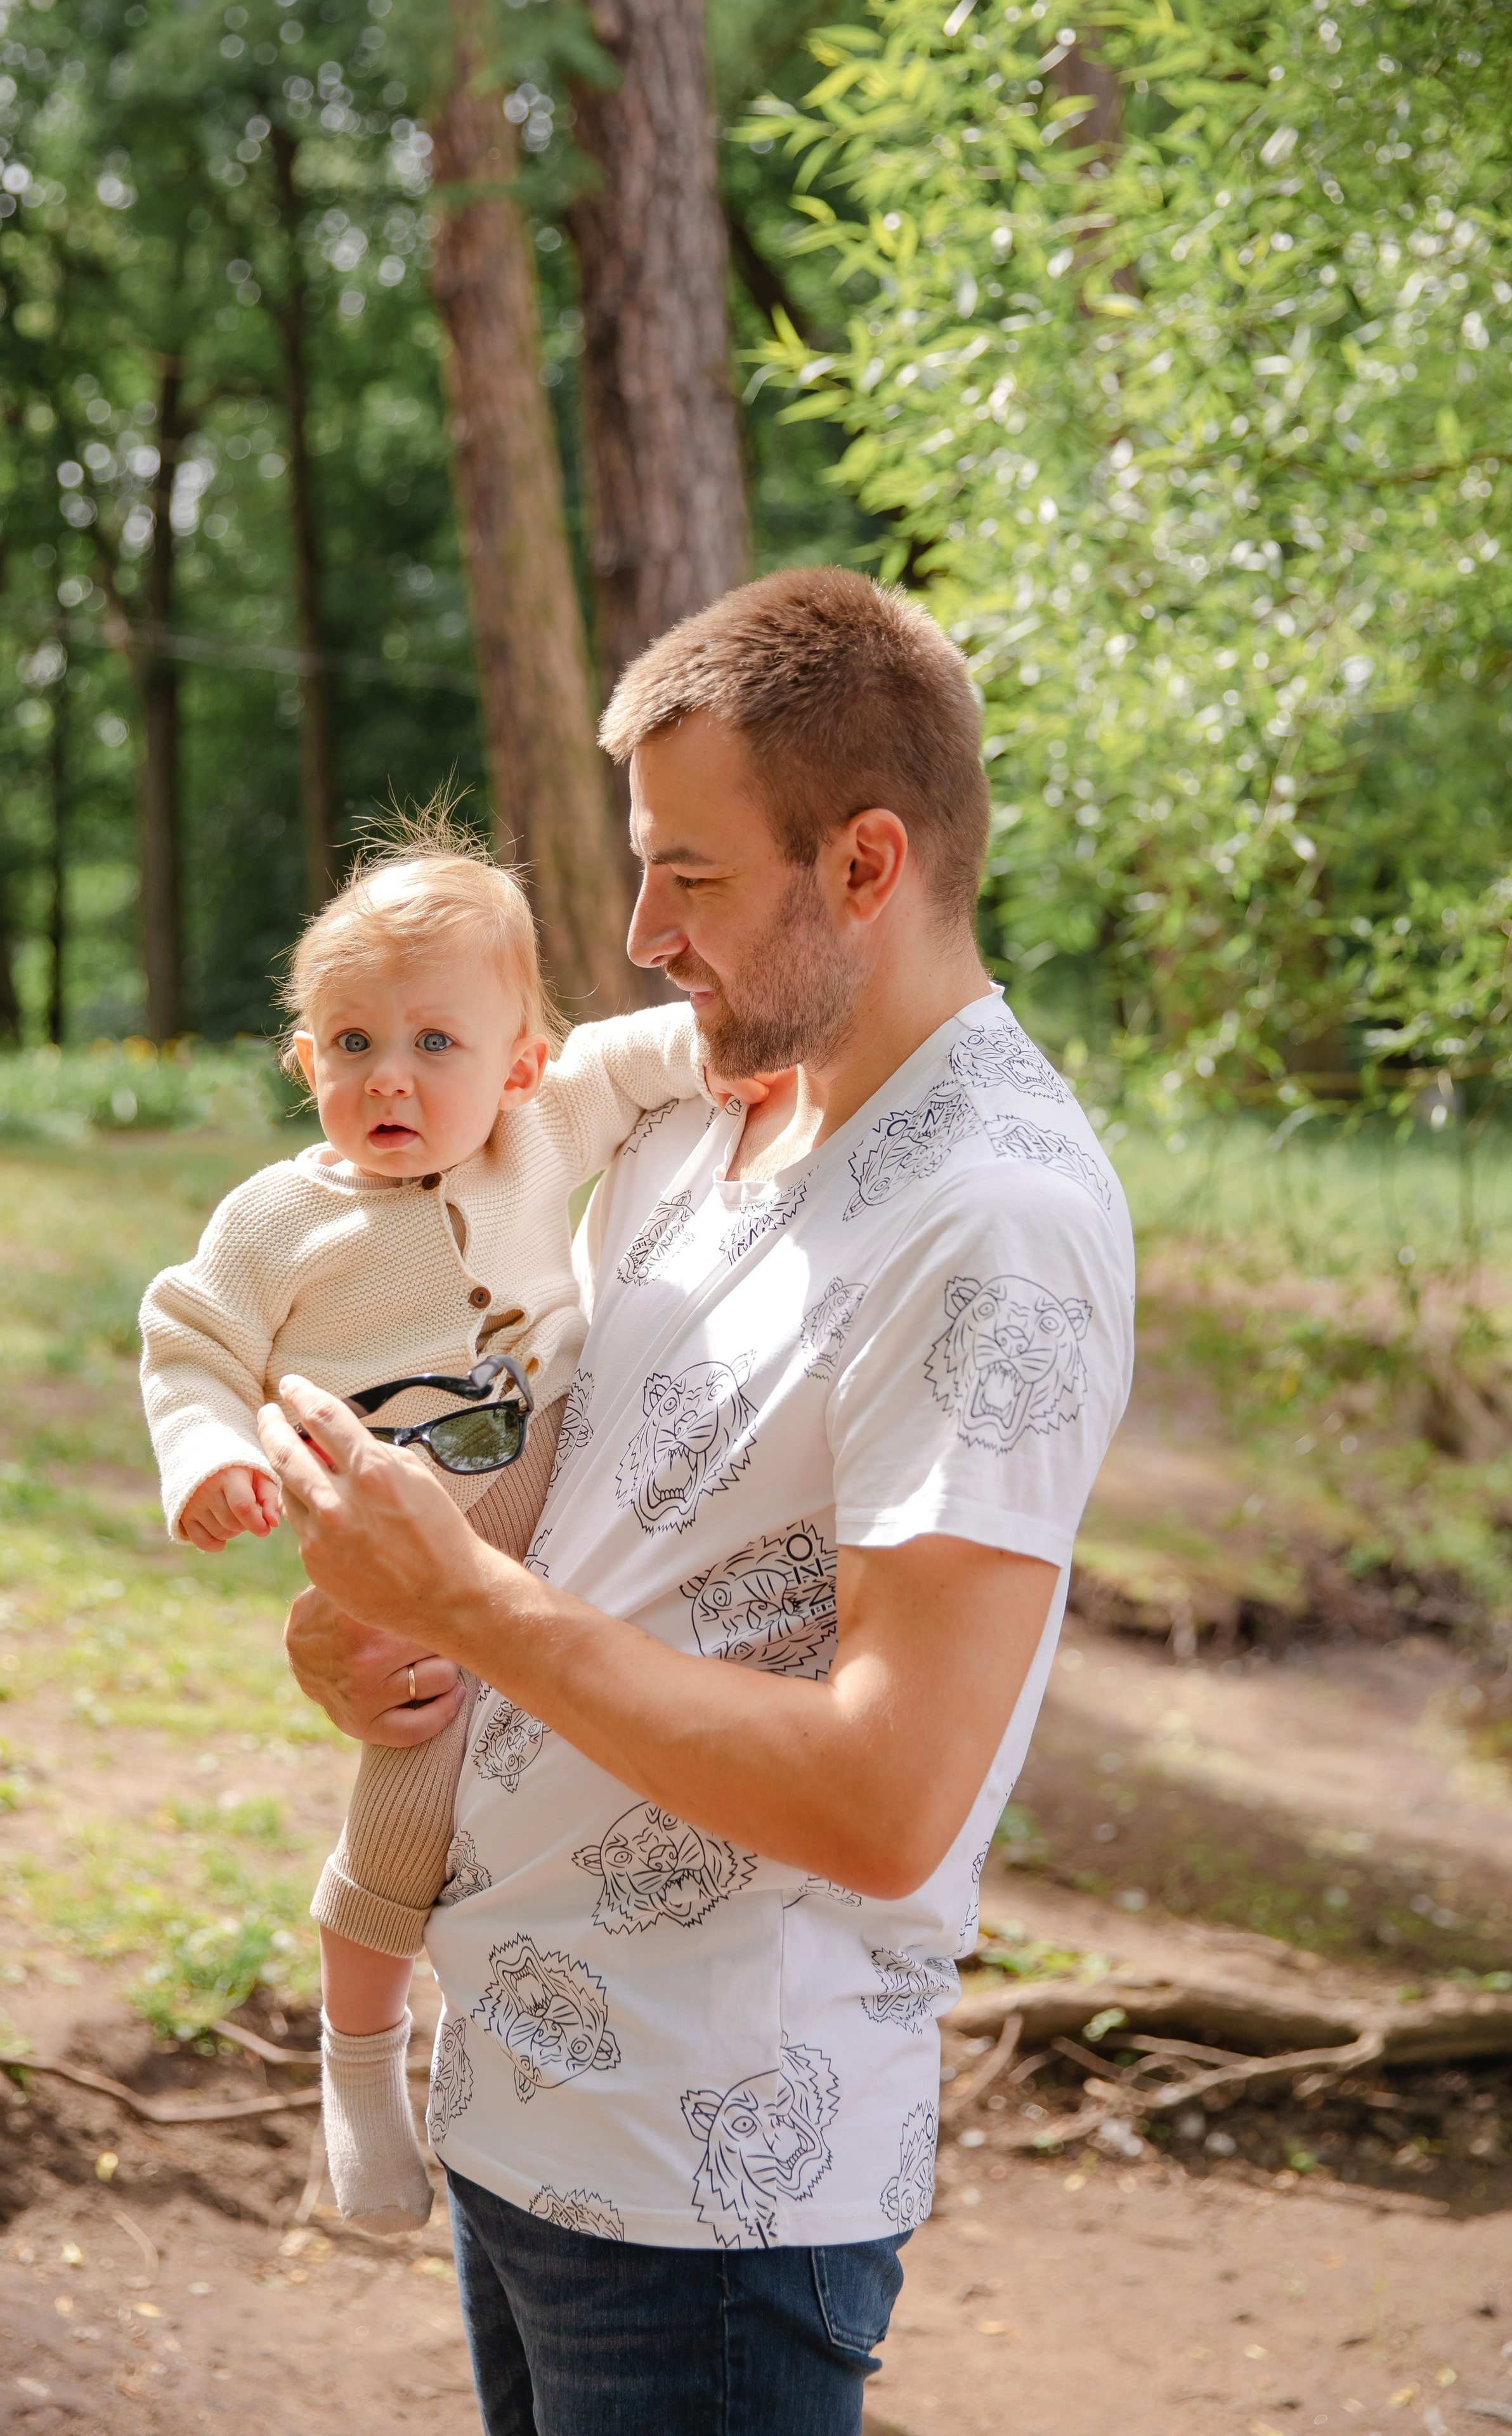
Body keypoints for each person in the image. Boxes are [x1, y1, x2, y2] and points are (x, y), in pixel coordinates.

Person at [256, 567, 1137, 2436]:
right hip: (514, 2085)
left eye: (695, 876)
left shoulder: (995, 1222)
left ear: (869, 865)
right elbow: (598, 1536)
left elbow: (890, 1798)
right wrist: (397, 1626)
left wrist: (487, 1616)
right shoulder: (704, 1114)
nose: (642, 935)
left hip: (708, 2185)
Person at [138, 818, 729, 2231]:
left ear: (518, 1062)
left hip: (554, 1536)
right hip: (400, 1567)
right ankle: (357, 2066)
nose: (387, 1075)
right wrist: (207, 1458)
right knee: (404, 1800)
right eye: (349, 1044)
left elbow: (634, 1055)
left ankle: (503, 2032)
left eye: (434, 1044)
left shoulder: (535, 1137)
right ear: (305, 1063)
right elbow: (188, 1342)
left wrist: (729, 1060)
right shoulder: (279, 1219)